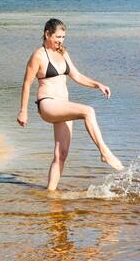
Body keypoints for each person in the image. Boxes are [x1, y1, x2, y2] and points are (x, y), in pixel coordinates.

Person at [18, 18, 124, 190]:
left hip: (63, 105)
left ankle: (50, 194)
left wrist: (98, 84)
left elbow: (77, 76)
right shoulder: (38, 56)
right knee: (88, 111)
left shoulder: (62, 53)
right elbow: (26, 84)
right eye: (58, 37)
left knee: (61, 154)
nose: (61, 41)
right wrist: (23, 111)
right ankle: (104, 152)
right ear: (47, 34)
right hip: (48, 104)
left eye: (64, 37)